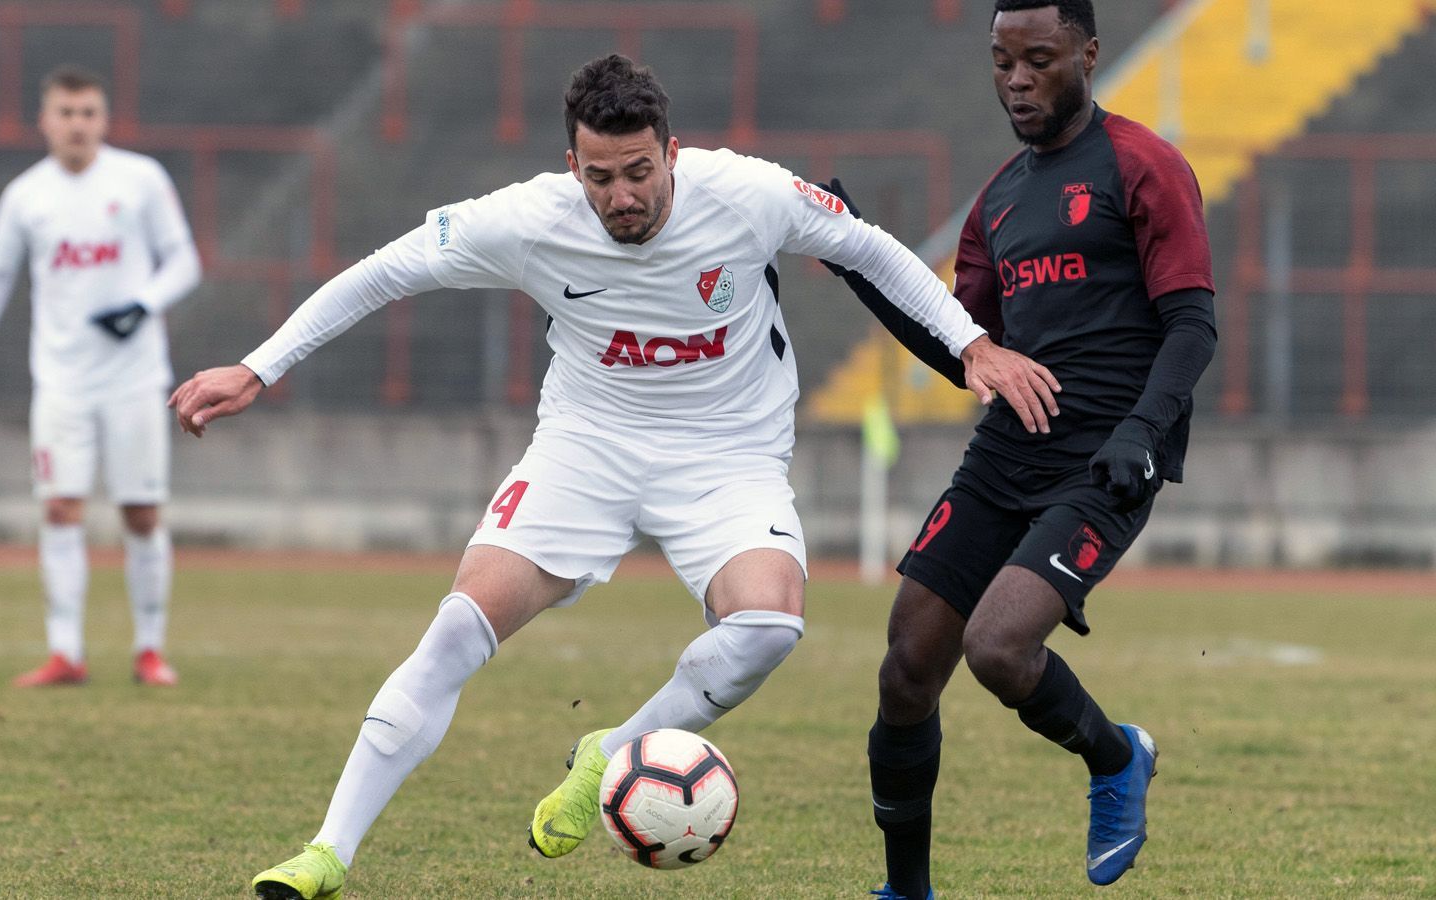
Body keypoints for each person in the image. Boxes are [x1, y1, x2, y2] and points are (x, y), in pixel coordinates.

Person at [170, 54, 1057, 900]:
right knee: (455, 631)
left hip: (728, 455)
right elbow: (385, 271)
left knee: (768, 625)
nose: (621, 197)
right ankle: (328, 851)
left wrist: (973, 345)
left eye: (639, 171)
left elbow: (871, 249)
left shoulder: (747, 193)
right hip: (586, 449)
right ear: (573, 165)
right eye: (600, 177)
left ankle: (616, 749)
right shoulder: (527, 219)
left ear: (671, 151)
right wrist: (260, 368)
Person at [822, 1, 1218, 896]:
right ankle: (906, 889)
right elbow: (961, 345)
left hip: (1106, 458)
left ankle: (1118, 759)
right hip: (1007, 452)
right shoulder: (997, 200)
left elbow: (1193, 323)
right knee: (907, 668)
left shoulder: (1142, 164)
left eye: (1038, 60)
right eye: (1001, 61)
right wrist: (857, 265)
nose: (1016, 80)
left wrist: (1140, 433)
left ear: (1087, 53)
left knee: (999, 648)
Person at [0, 66, 202, 688]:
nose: (77, 124)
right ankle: (65, 652)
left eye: (88, 113)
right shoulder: (26, 196)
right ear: (44, 121)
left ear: (103, 120)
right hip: (61, 383)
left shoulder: (140, 180)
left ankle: (149, 650)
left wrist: (142, 304)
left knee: (139, 513)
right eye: (66, 113)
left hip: (134, 380)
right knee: (59, 508)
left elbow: (185, 260)